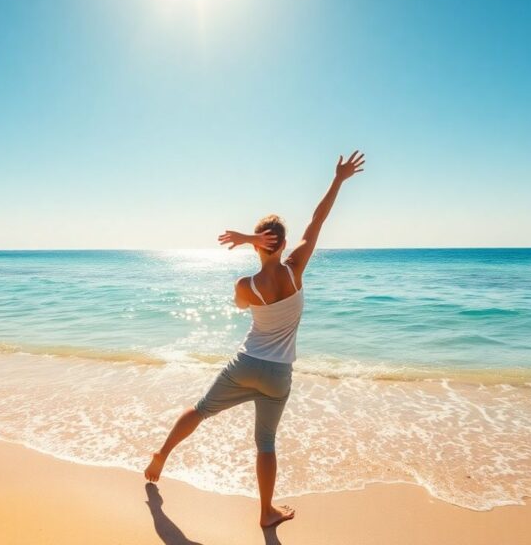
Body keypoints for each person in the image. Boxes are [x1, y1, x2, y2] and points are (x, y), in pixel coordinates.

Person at [144, 150, 366, 528]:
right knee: (265, 443)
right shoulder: (296, 270)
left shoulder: (246, 285)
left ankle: (162, 454)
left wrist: (249, 239)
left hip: (245, 364)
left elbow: (238, 305)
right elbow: (318, 221)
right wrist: (338, 180)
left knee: (200, 409)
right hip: (278, 373)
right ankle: (265, 512)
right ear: (282, 244)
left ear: (259, 244)